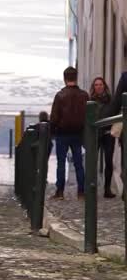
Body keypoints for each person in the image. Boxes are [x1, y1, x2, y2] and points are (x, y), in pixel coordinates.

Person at [50, 66, 89, 200]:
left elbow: (54, 117)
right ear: (76, 78)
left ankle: (60, 192)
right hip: (78, 133)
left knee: (61, 163)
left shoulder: (60, 95)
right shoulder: (84, 95)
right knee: (78, 163)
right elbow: (87, 116)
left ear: (64, 78)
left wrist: (51, 131)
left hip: (62, 134)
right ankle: (81, 192)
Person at [90, 77, 116, 198]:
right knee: (91, 162)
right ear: (94, 87)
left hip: (108, 134)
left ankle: (107, 189)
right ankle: (91, 188)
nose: (98, 87)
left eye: (100, 84)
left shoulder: (111, 100)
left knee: (109, 162)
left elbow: (116, 115)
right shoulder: (90, 101)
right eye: (96, 85)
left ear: (104, 86)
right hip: (95, 135)